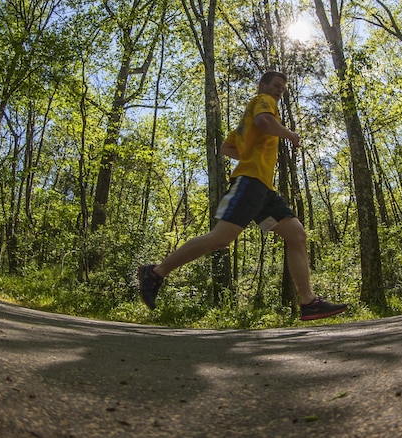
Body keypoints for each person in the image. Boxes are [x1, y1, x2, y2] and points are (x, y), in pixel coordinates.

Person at [138, 71, 348, 321]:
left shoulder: (243, 125)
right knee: (221, 238)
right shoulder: (263, 101)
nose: (279, 91)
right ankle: (156, 272)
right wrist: (289, 134)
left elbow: (227, 147)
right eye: (275, 85)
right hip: (249, 183)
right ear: (263, 85)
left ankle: (308, 302)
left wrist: (250, 154)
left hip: (263, 189)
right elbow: (265, 123)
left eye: (282, 88)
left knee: (296, 234)